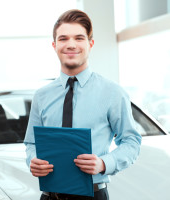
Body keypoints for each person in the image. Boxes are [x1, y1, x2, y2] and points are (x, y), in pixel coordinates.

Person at [24, 9, 142, 200]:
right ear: (54, 45)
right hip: (49, 196)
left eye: (79, 38)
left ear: (90, 44)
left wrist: (105, 163)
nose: (71, 45)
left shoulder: (112, 93)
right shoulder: (41, 96)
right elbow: (31, 143)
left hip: (93, 195)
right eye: (63, 39)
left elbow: (131, 141)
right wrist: (32, 160)